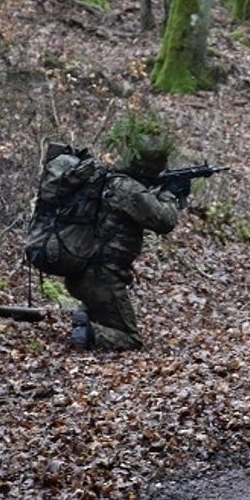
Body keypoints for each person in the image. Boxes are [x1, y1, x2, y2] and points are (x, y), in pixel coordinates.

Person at [66, 131, 190, 351]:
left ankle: (87, 313)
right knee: (130, 339)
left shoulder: (105, 179)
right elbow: (164, 221)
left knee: (109, 310)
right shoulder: (127, 188)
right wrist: (170, 193)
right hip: (101, 277)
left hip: (81, 271)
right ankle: (89, 332)